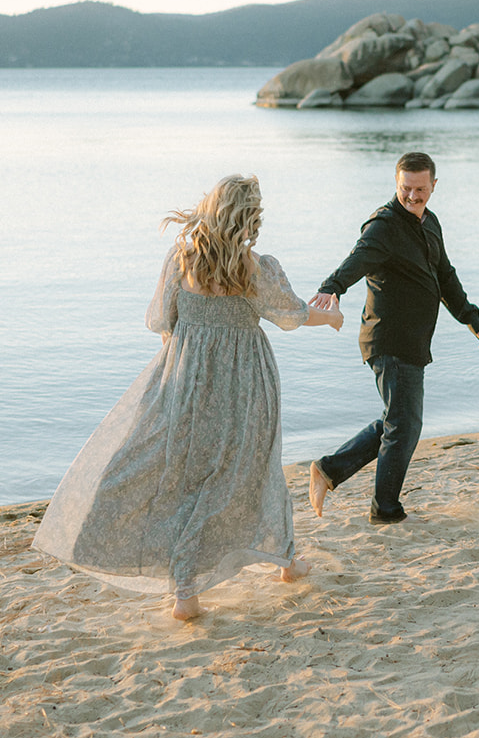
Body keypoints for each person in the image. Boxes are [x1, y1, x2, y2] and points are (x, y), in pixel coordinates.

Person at [31, 174, 343, 621]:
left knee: (185, 479)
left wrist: (184, 357)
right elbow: (290, 315)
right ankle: (286, 561)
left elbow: (162, 319)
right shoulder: (254, 268)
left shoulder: (181, 260)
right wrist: (331, 320)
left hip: (186, 382)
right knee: (255, 467)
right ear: (248, 217)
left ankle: (189, 592)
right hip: (244, 384)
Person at [307, 152, 479, 525]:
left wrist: (470, 318)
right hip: (387, 338)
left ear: (433, 186)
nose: (412, 196)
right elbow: (358, 258)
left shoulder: (430, 223)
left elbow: (445, 276)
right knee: (404, 424)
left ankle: (328, 470)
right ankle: (384, 509)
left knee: (399, 421)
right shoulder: (384, 226)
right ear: (396, 184)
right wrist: (332, 287)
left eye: (420, 189)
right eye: (406, 188)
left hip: (413, 340)